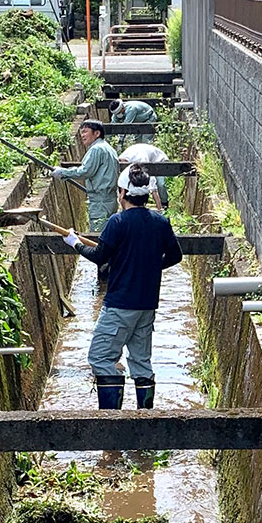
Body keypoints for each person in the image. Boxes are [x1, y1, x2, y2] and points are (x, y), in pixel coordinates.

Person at [63, 164, 183, 410]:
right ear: (147, 194)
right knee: (141, 361)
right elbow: (175, 256)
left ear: (121, 193)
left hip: (120, 304)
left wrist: (74, 243)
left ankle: (112, 422)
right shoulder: (160, 222)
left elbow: (99, 256)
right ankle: (144, 421)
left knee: (100, 357)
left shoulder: (117, 222)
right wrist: (148, 267)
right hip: (147, 305)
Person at [51, 119, 119, 232]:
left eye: (85, 131)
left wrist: (63, 172)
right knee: (108, 232)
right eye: (81, 132)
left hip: (100, 201)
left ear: (97, 133)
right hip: (109, 198)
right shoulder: (108, 148)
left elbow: (85, 171)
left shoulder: (97, 149)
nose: (82, 135)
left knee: (98, 235)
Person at [119, 142, 170, 211]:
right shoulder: (122, 157)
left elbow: (152, 185)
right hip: (145, 154)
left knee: (160, 184)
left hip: (159, 160)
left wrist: (160, 210)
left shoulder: (141, 159)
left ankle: (164, 205)